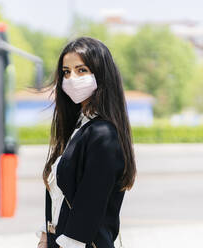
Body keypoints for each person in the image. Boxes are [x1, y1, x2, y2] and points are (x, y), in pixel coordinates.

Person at [36, 37, 136, 248]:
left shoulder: (103, 134)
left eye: (81, 70)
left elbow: (90, 205)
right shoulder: (78, 128)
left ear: (100, 74)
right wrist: (46, 237)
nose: (72, 78)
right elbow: (59, 196)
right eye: (66, 72)